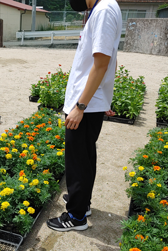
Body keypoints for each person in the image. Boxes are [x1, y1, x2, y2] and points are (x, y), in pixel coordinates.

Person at [46, 0, 122, 231]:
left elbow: (102, 64)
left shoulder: (104, 10)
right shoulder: (103, 8)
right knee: (85, 156)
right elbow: (105, 61)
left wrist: (81, 106)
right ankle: (82, 203)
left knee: (78, 160)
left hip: (85, 105)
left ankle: (76, 217)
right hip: (91, 102)